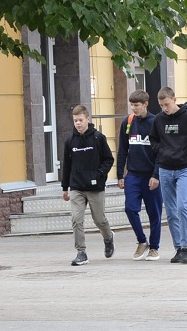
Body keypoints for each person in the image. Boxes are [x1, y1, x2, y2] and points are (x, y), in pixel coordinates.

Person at [151, 87, 187, 264]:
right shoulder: (159, 119)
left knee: (183, 205)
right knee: (171, 210)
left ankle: (186, 246)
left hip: (184, 168)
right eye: (161, 105)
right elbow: (153, 139)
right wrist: (162, 151)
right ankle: (178, 247)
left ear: (174, 99)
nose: (164, 108)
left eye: (166, 104)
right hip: (165, 168)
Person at [62, 104, 115, 266]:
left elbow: (109, 160)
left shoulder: (98, 138)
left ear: (87, 119)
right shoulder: (70, 140)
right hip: (77, 187)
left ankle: (108, 238)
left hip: (95, 187)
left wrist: (98, 174)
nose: (78, 123)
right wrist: (65, 187)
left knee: (99, 219)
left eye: (80, 120)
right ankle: (81, 252)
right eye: (75, 121)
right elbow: (67, 165)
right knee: (76, 219)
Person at [116, 90, 162, 261]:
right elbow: (122, 150)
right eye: (132, 105)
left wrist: (156, 175)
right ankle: (142, 241)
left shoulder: (155, 122)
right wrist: (120, 174)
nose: (134, 108)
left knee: (154, 213)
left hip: (151, 175)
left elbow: (160, 153)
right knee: (130, 208)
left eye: (137, 105)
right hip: (133, 175)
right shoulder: (128, 122)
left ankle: (154, 247)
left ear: (145, 104)